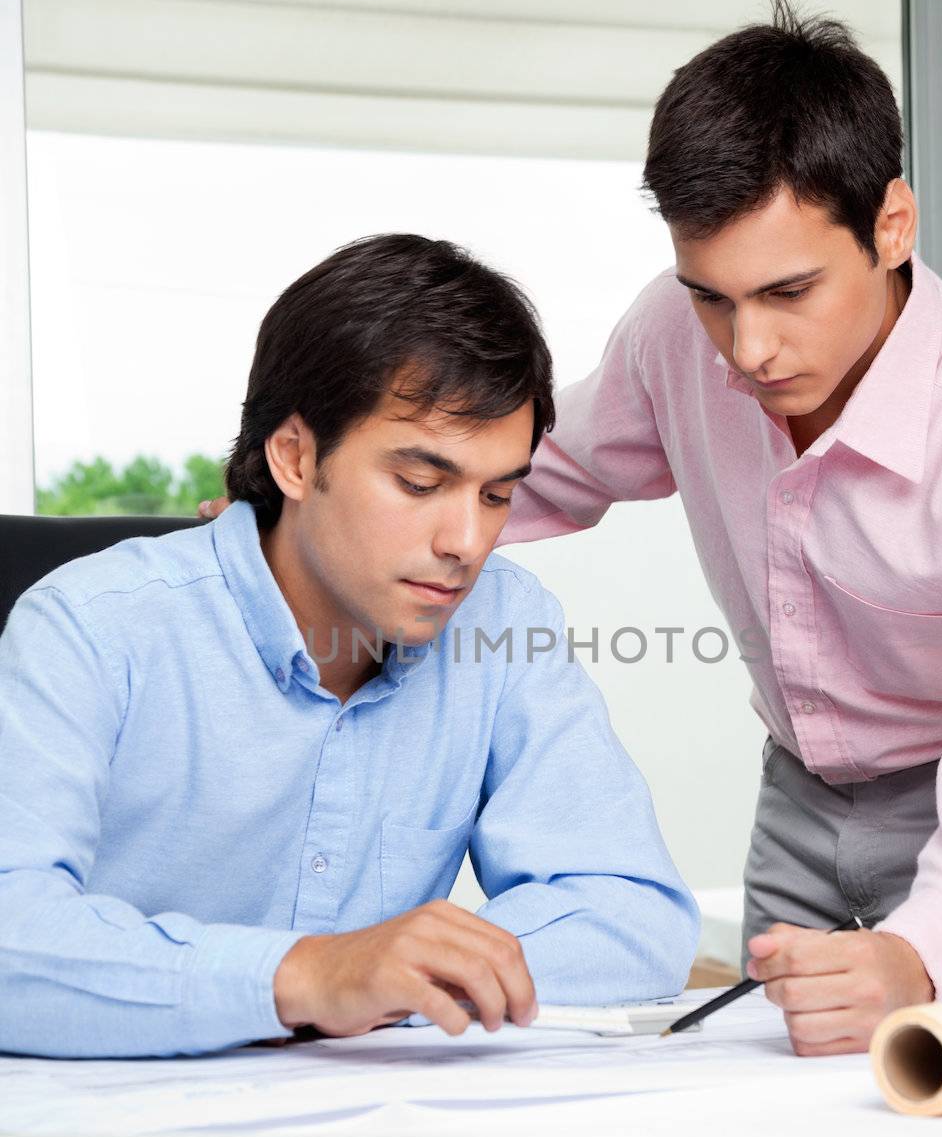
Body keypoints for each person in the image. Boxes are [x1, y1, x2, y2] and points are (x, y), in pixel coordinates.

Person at [494, 0, 942, 1053]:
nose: (745, 348)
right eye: (711, 296)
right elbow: (534, 473)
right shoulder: (676, 335)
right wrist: (317, 515)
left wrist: (917, 953)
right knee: (768, 1118)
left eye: (787, 291)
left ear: (890, 226)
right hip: (796, 806)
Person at [0, 234, 699, 1060]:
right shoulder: (88, 626)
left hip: (381, 1132)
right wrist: (308, 977)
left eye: (498, 493)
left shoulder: (503, 627)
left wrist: (415, 975)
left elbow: (632, 913)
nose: (467, 541)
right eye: (419, 483)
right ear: (294, 457)